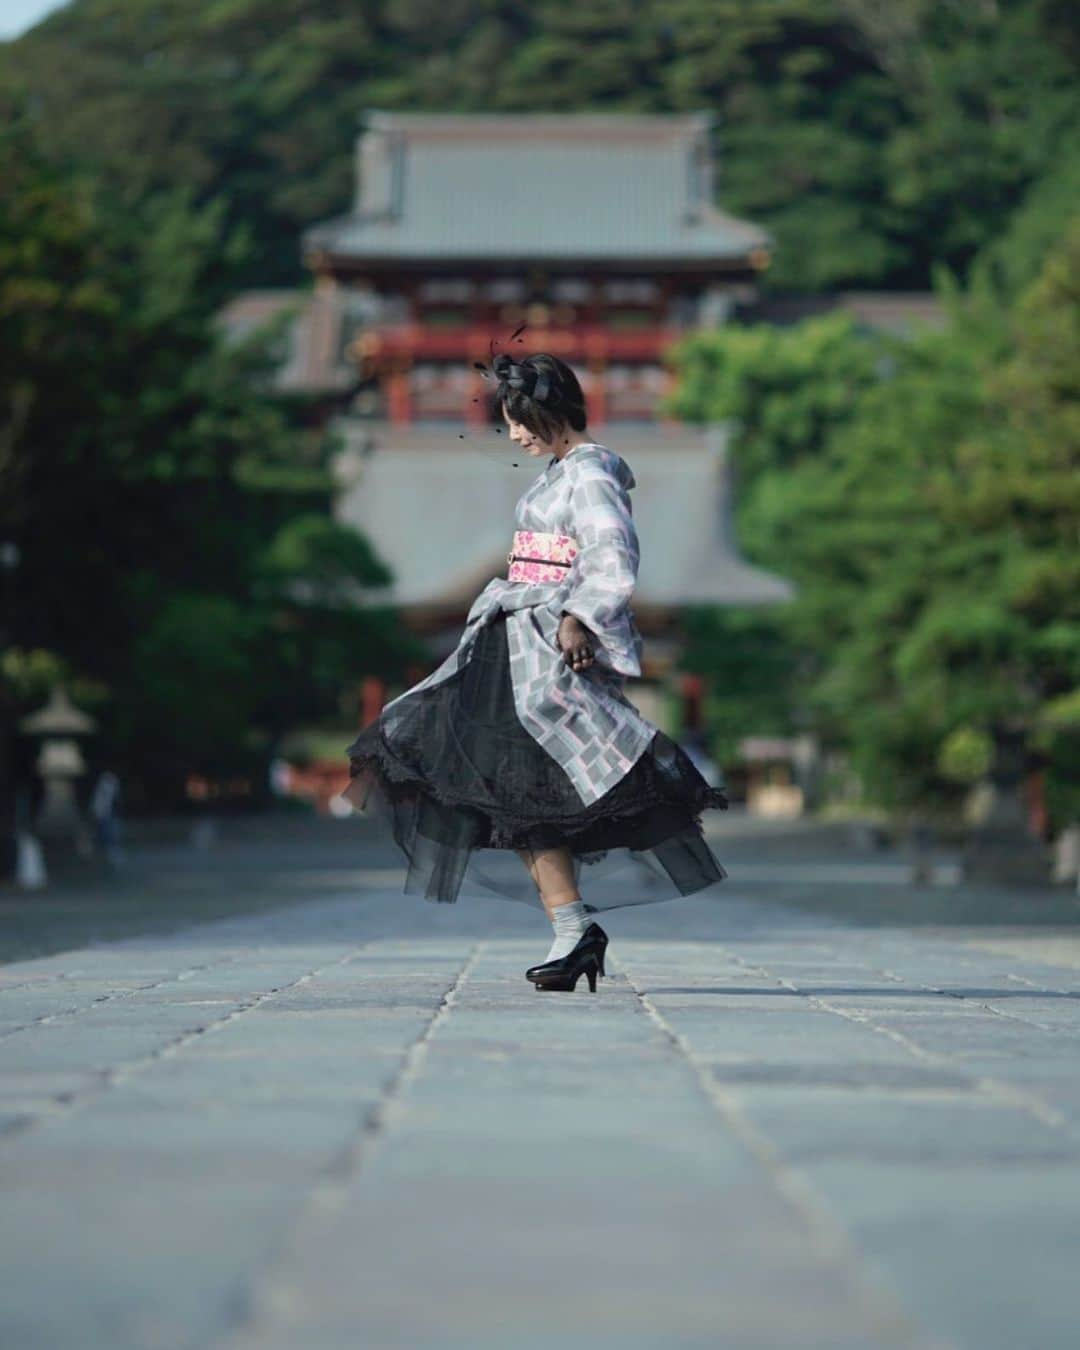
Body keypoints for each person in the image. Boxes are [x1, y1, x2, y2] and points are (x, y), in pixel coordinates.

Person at [342, 351, 729, 992]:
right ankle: (572, 931)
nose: (514, 435)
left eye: (519, 420)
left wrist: (579, 613)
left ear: (549, 410)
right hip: (512, 641)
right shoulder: (556, 475)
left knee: (526, 792)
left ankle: (574, 930)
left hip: (543, 648)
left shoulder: (592, 471)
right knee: (513, 800)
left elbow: (611, 552)